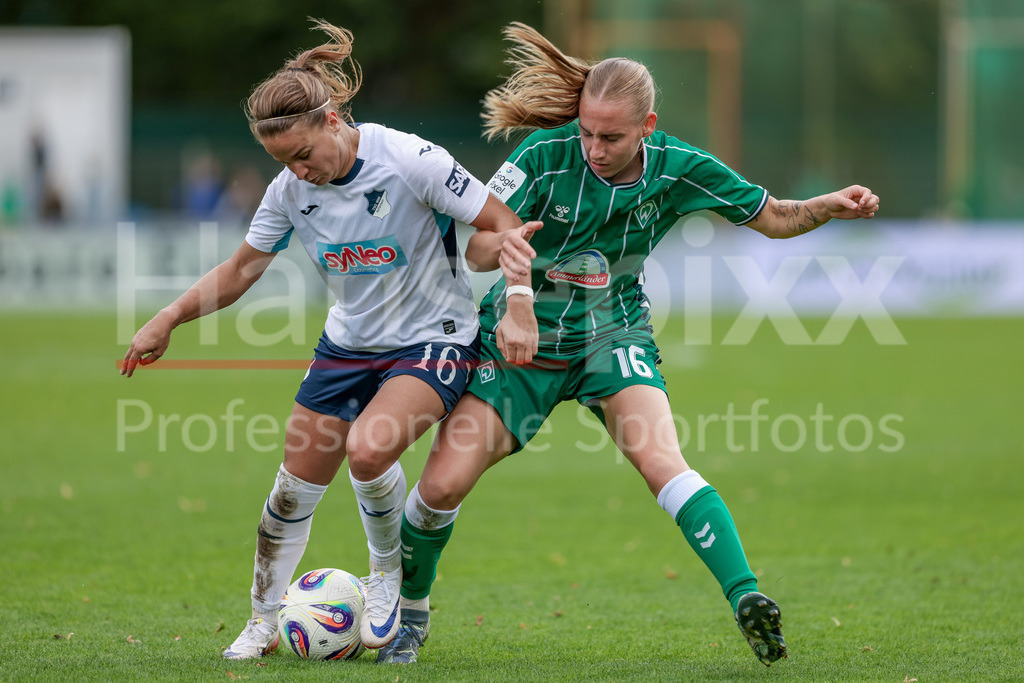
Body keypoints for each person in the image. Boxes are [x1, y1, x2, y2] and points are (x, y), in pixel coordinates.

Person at [378, 22, 880, 667]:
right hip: (521, 341)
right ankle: (411, 615)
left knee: (662, 462)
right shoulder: (542, 156)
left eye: (611, 136)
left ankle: (747, 597)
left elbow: (776, 217)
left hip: (613, 333)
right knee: (441, 488)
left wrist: (828, 206)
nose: (593, 147)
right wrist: (509, 261)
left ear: (647, 125)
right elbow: (475, 246)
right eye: (586, 131)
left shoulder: (679, 168)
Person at [120, 19, 540, 660]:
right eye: (283, 161)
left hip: (436, 337)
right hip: (347, 346)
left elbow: (503, 224)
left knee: (370, 452)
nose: (299, 171)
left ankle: (386, 581)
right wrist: (170, 317)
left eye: (303, 154)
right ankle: (262, 620)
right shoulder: (289, 190)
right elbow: (239, 271)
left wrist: (516, 305)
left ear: (334, 118)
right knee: (292, 488)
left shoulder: (409, 159)